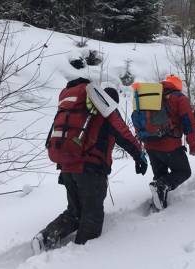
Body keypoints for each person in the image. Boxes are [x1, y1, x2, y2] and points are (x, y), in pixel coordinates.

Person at [34, 77, 147, 251]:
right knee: (92, 216)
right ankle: (81, 256)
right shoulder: (106, 107)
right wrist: (139, 155)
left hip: (68, 168)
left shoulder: (82, 107)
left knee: (75, 211)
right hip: (90, 171)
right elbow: (123, 133)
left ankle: (46, 237)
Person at [137, 75, 195, 211]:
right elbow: (188, 122)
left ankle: (159, 204)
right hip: (169, 145)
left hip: (150, 144)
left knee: (160, 176)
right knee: (183, 171)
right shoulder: (178, 98)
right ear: (177, 86)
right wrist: (193, 144)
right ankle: (161, 188)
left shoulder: (150, 96)